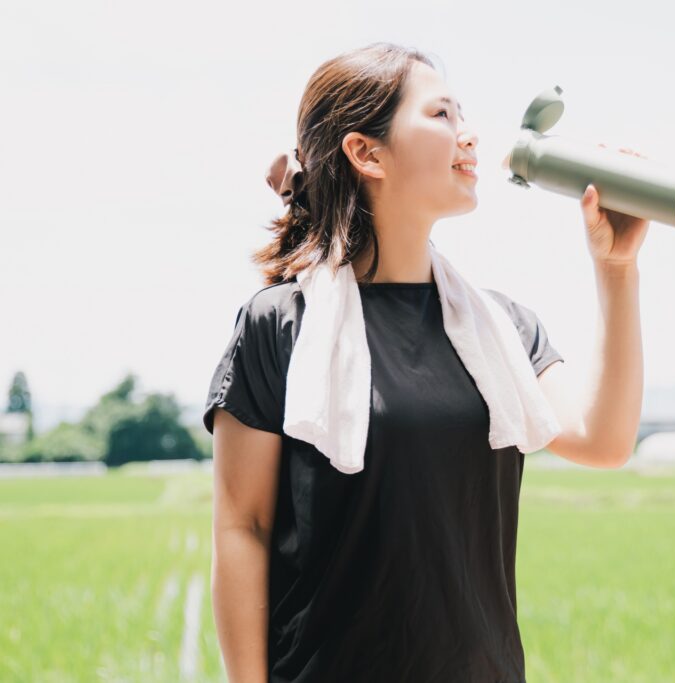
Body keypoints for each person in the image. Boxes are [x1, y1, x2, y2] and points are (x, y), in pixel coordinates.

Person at [205, 41, 648, 683]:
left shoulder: (502, 329)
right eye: (441, 115)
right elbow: (242, 527)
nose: (468, 136)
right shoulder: (281, 326)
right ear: (368, 152)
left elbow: (605, 440)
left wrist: (616, 270)